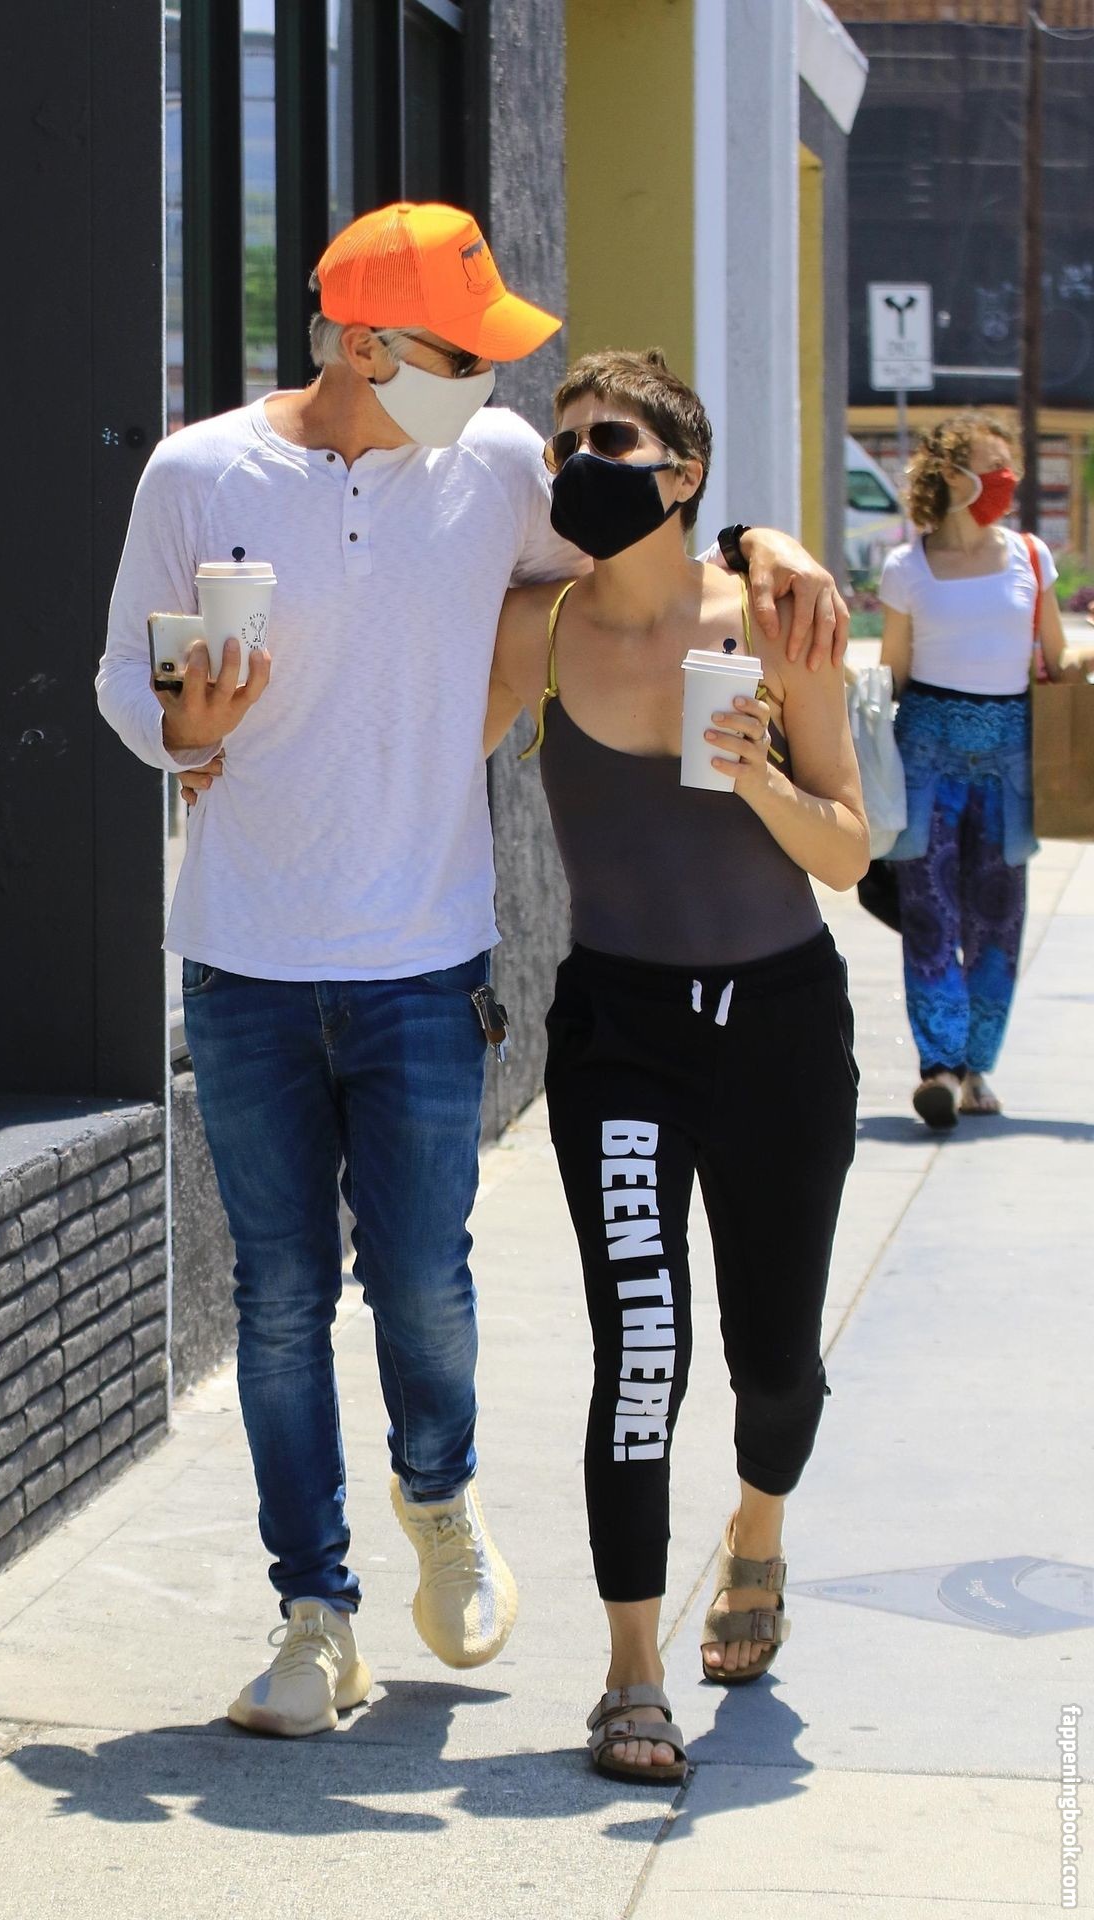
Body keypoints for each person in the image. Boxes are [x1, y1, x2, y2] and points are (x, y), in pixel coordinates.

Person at [101, 201, 849, 1743]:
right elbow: (126, 672)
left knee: (428, 1288)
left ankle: (438, 1496)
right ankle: (320, 1615)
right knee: (284, 1299)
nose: (494, 387)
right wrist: (179, 731)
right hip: (244, 954)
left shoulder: (499, 466)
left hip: (430, 957)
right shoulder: (197, 473)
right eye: (465, 353)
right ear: (364, 343)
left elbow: (646, 547)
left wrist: (766, 544)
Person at [484, 349, 867, 1783]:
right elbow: (422, 741)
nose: (581, 461)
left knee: (775, 1365)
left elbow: (849, 848)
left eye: (612, 439)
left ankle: (756, 1532)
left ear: (684, 473)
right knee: (641, 1346)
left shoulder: (773, 619)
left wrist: (758, 773)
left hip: (778, 1028)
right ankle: (630, 1671)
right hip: (622, 1032)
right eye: (565, 442)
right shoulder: (536, 625)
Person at [879, 413, 1071, 1129]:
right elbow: (893, 675)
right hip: (925, 752)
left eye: (1007, 467)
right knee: (929, 915)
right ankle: (939, 1066)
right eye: (990, 468)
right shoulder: (908, 568)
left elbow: (1056, 655)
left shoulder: (1030, 556)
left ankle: (977, 1066)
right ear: (950, 475)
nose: (1004, 481)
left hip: (1008, 757)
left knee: (998, 917)